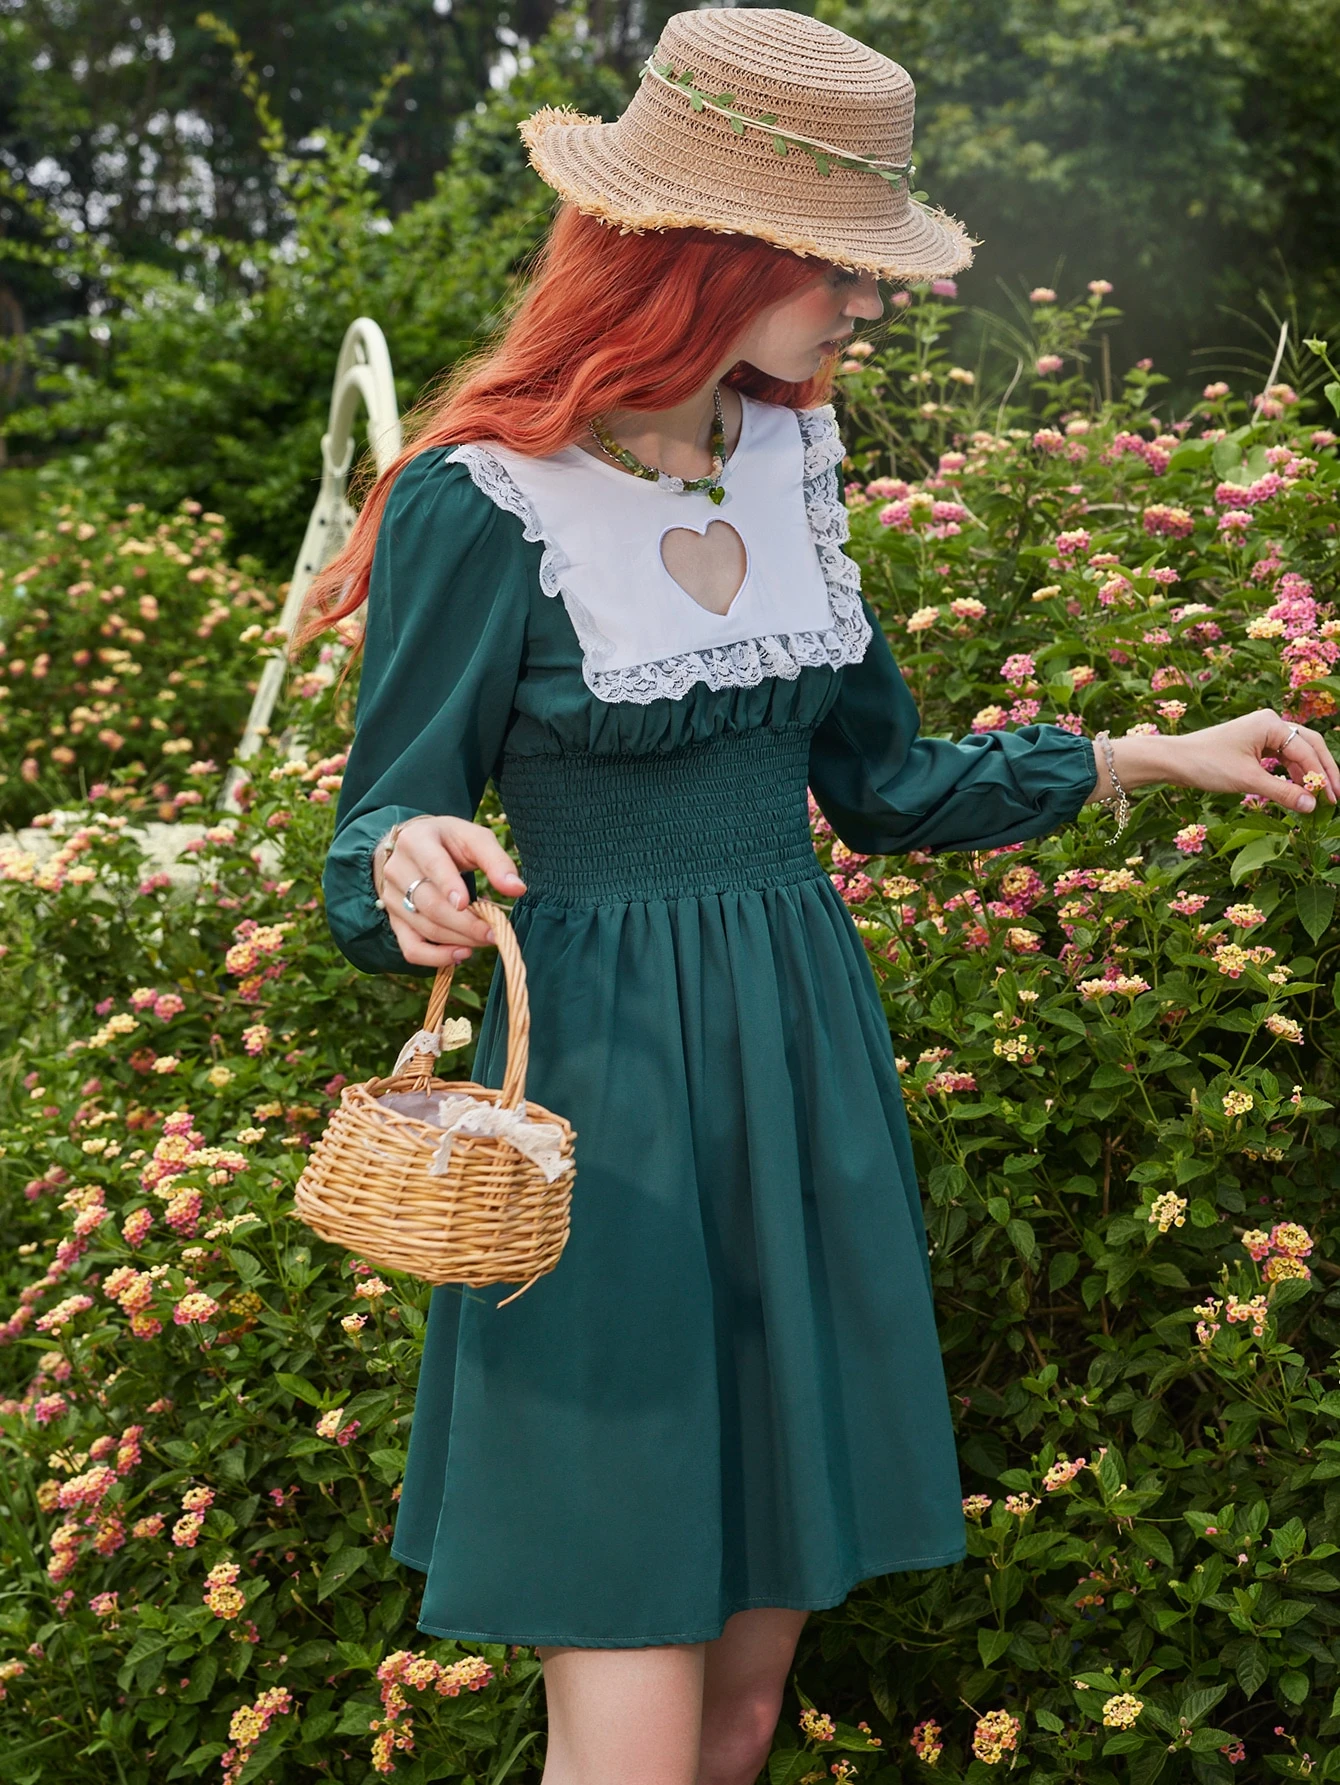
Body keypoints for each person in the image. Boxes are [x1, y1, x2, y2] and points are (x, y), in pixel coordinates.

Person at [306, 11, 1338, 1783]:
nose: (871, 301)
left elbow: (882, 786)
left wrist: (1152, 753)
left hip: (800, 1083)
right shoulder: (487, 499)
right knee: (630, 1725)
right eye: (836, 263)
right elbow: (381, 818)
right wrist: (407, 868)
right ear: (702, 255)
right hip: (610, 1107)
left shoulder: (791, 467)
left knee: (738, 1713)